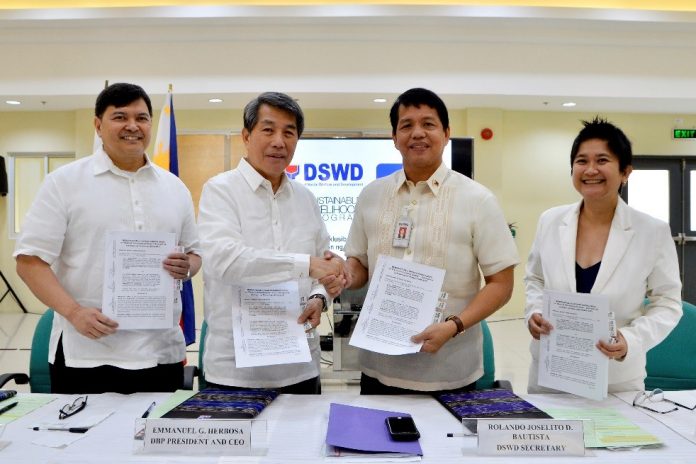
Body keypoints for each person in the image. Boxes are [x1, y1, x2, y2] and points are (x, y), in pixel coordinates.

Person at [14, 83, 201, 394]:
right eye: (120, 117)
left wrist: (188, 266)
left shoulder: (174, 188)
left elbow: (195, 254)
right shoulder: (64, 183)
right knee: (81, 441)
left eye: (141, 118)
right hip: (86, 353)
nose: (132, 126)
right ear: (98, 125)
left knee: (153, 441)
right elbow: (29, 262)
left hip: (160, 352)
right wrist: (74, 312)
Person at [341, 88, 519, 394]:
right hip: (379, 367)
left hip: (451, 369)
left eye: (428, 124)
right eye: (406, 125)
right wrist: (343, 273)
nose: (417, 133)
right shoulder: (371, 195)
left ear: (447, 133)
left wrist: (454, 326)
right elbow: (359, 265)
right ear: (394, 137)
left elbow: (501, 284)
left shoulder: (478, 199)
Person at [198, 92, 345, 394]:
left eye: (289, 132)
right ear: (246, 136)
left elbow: (323, 263)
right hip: (235, 374)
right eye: (268, 129)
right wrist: (306, 266)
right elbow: (226, 261)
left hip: (301, 368)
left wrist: (319, 297)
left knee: (304, 443)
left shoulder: (306, 198)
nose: (279, 141)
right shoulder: (220, 190)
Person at [525, 116, 682, 393]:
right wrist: (534, 312)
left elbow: (667, 303)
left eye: (602, 160)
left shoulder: (652, 231)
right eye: (581, 161)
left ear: (625, 172)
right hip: (551, 372)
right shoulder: (550, 221)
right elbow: (535, 279)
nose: (590, 169)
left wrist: (631, 340)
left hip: (616, 379)